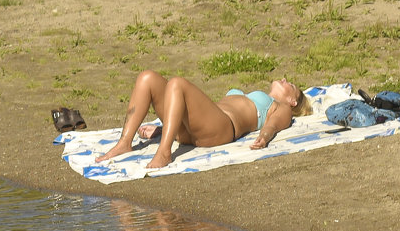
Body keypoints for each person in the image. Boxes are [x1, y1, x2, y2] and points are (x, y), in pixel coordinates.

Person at [96, 70, 312, 169]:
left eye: (290, 85)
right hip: (196, 128)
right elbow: (197, 111)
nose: (284, 79)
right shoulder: (249, 95)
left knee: (177, 84)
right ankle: (125, 143)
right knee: (147, 78)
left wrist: (263, 138)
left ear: (293, 101)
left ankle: (164, 152)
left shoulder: (281, 107)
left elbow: (273, 126)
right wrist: (161, 128)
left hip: (223, 129)